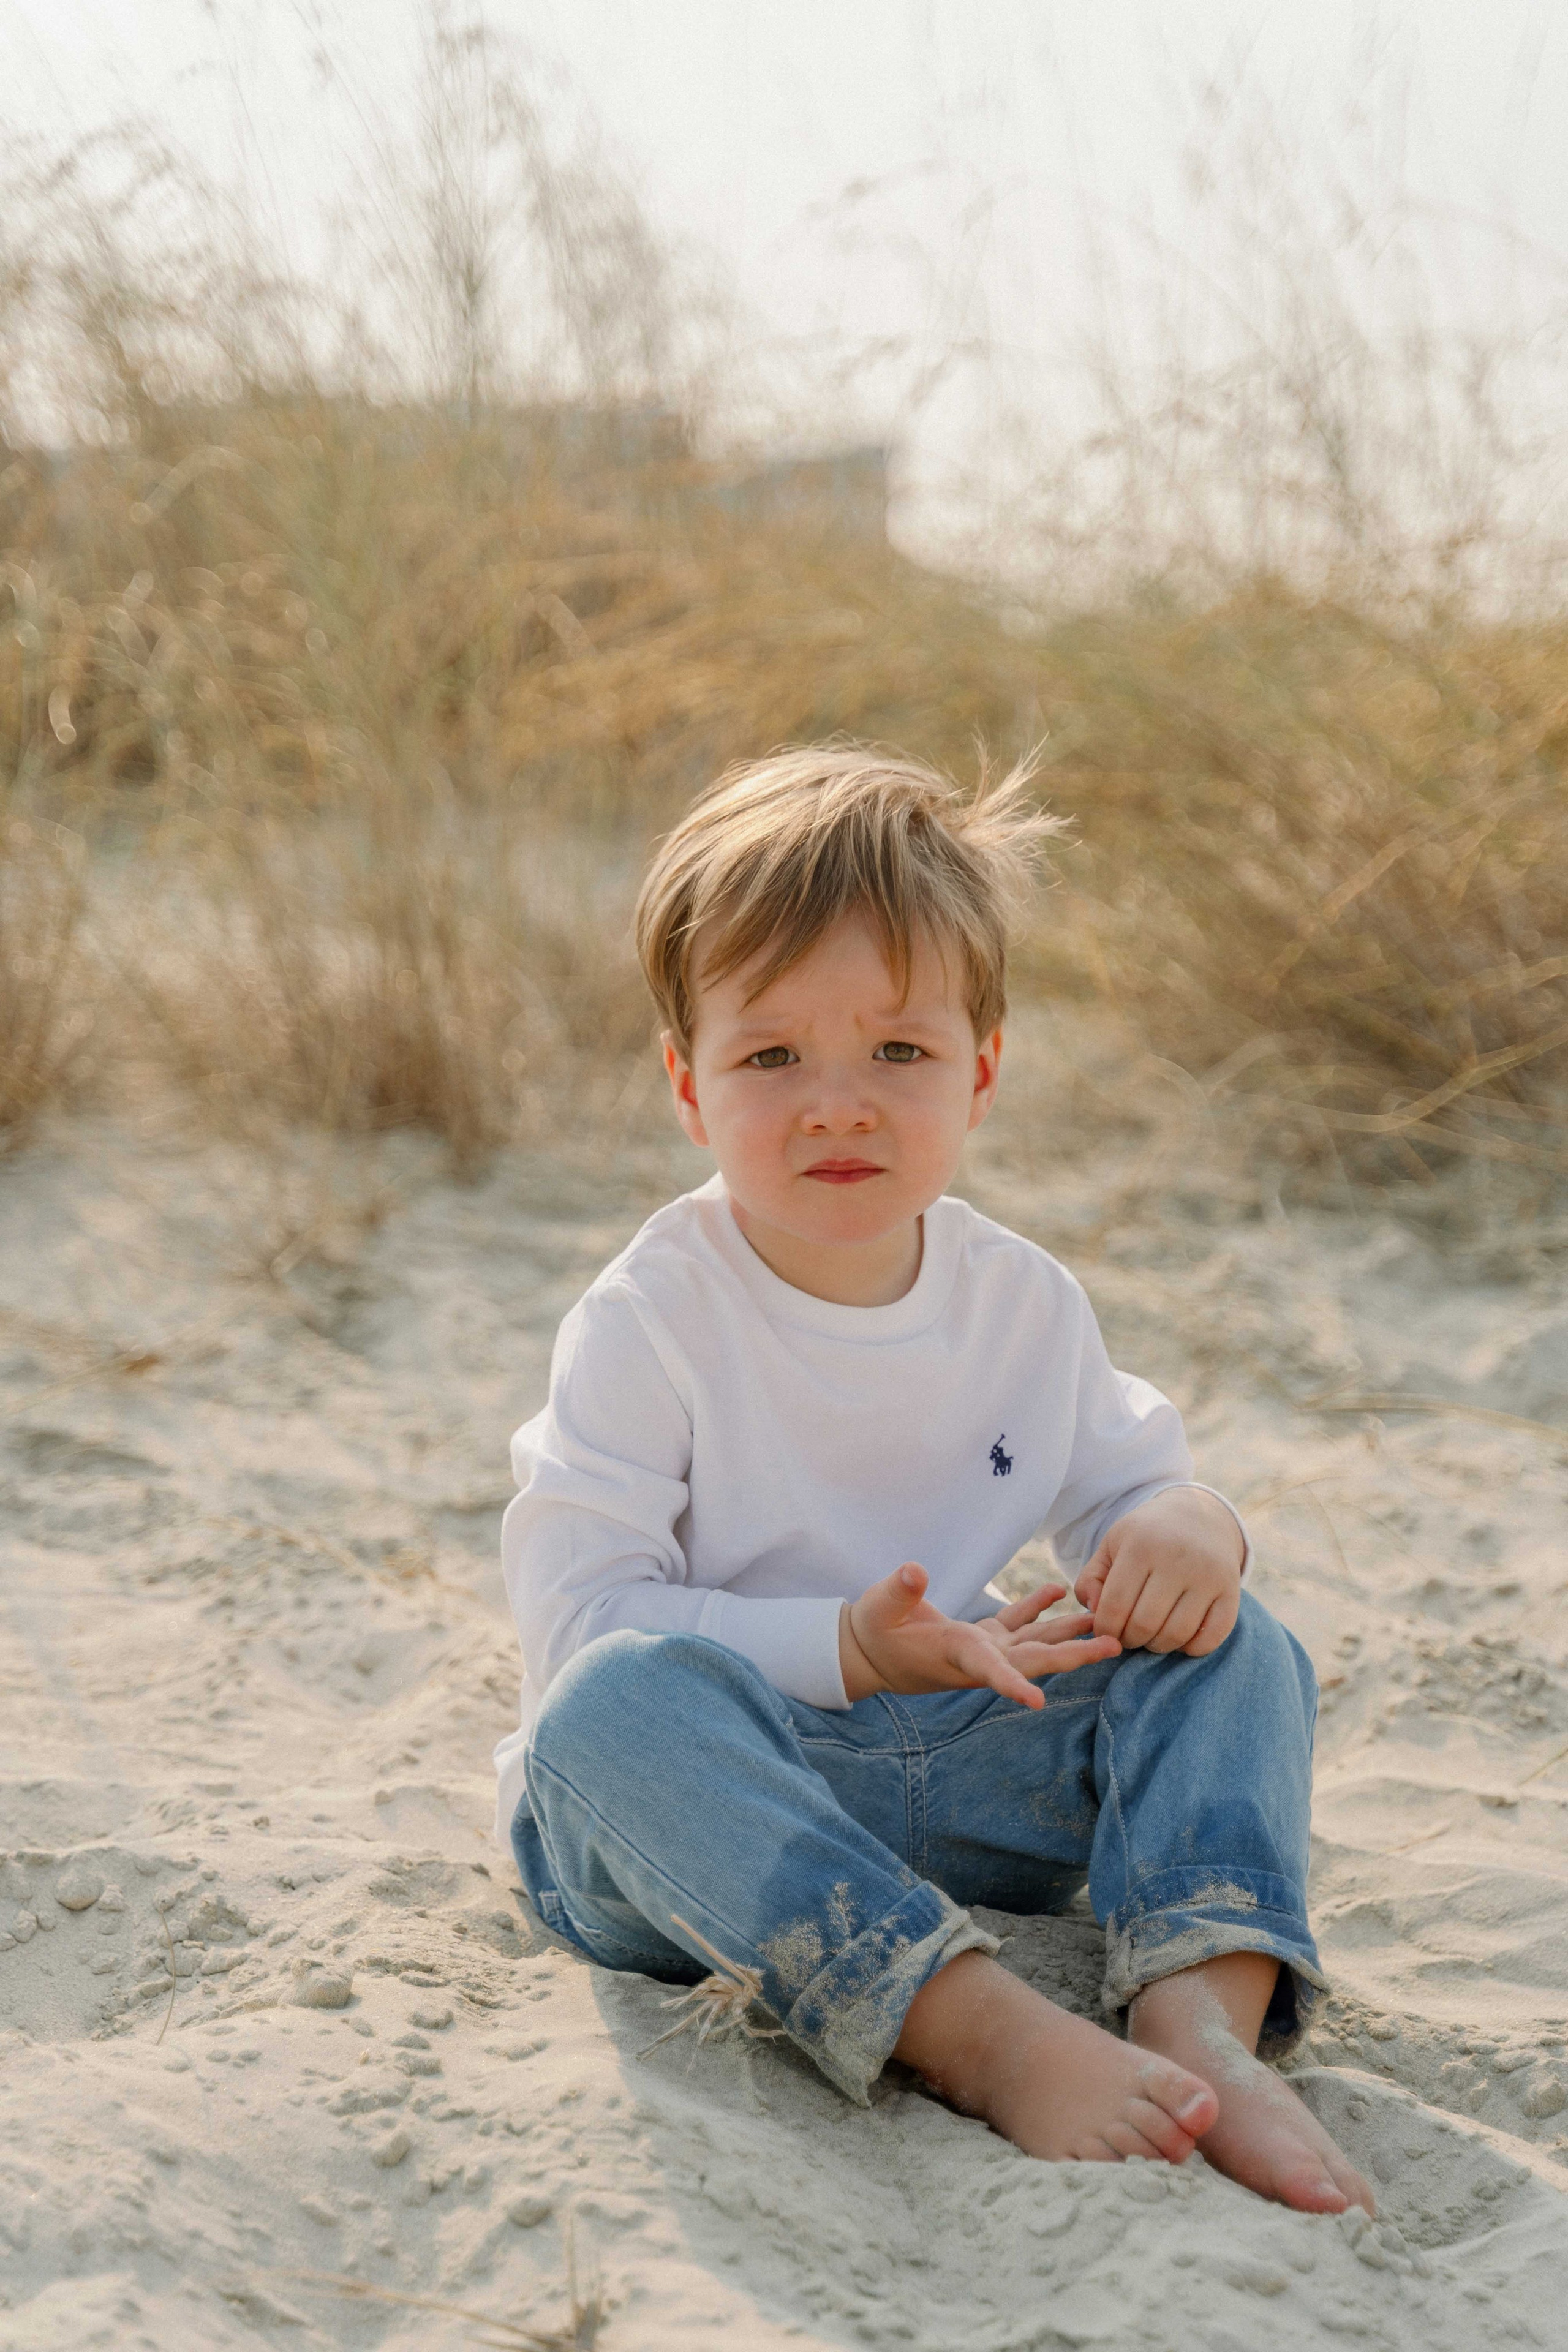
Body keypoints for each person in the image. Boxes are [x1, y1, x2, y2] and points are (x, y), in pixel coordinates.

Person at [494, 745, 1372, 2213]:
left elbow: (1130, 1482)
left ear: (978, 1071)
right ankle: (974, 2030)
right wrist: (839, 1647)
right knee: (603, 1713)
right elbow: (582, 1629)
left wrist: (1183, 1525)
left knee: (1236, 1645)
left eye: (894, 1052)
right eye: (771, 1057)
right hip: (713, 1814)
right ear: (687, 1087)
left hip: (968, 1756)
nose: (836, 1104)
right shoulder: (650, 1318)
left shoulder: (1017, 1299)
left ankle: (1198, 2007)